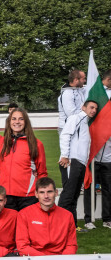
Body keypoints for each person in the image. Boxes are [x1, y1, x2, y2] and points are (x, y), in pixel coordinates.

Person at [59, 99, 98, 231]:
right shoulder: (76, 118)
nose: (93, 110)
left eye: (95, 109)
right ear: (83, 107)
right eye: (91, 107)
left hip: (80, 163)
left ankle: (72, 226)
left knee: (74, 196)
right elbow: (65, 135)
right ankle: (61, 226)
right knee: (68, 195)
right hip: (71, 161)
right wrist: (65, 155)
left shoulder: (86, 123)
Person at [0, 108, 47, 211]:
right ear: (9, 121)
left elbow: (42, 172)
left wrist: (41, 193)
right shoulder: (1, 143)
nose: (17, 122)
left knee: (28, 227)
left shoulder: (36, 144)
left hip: (28, 197)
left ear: (26, 122)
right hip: (6, 196)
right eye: (14, 119)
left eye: (21, 119)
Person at [16, 177, 78, 256]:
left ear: (56, 193)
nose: (46, 196)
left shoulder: (67, 216)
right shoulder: (24, 214)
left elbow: (71, 245)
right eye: (42, 192)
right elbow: (22, 246)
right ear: (36, 194)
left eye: (49, 192)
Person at [93, 70, 111, 229]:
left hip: (108, 155)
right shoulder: (98, 93)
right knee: (90, 186)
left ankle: (106, 218)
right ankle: (88, 217)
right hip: (94, 152)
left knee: (108, 189)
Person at [58, 69, 87, 134]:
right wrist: (87, 110)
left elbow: (92, 87)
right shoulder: (67, 94)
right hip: (67, 128)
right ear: (76, 80)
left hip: (77, 126)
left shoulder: (80, 89)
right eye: (83, 79)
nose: (85, 81)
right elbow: (71, 114)